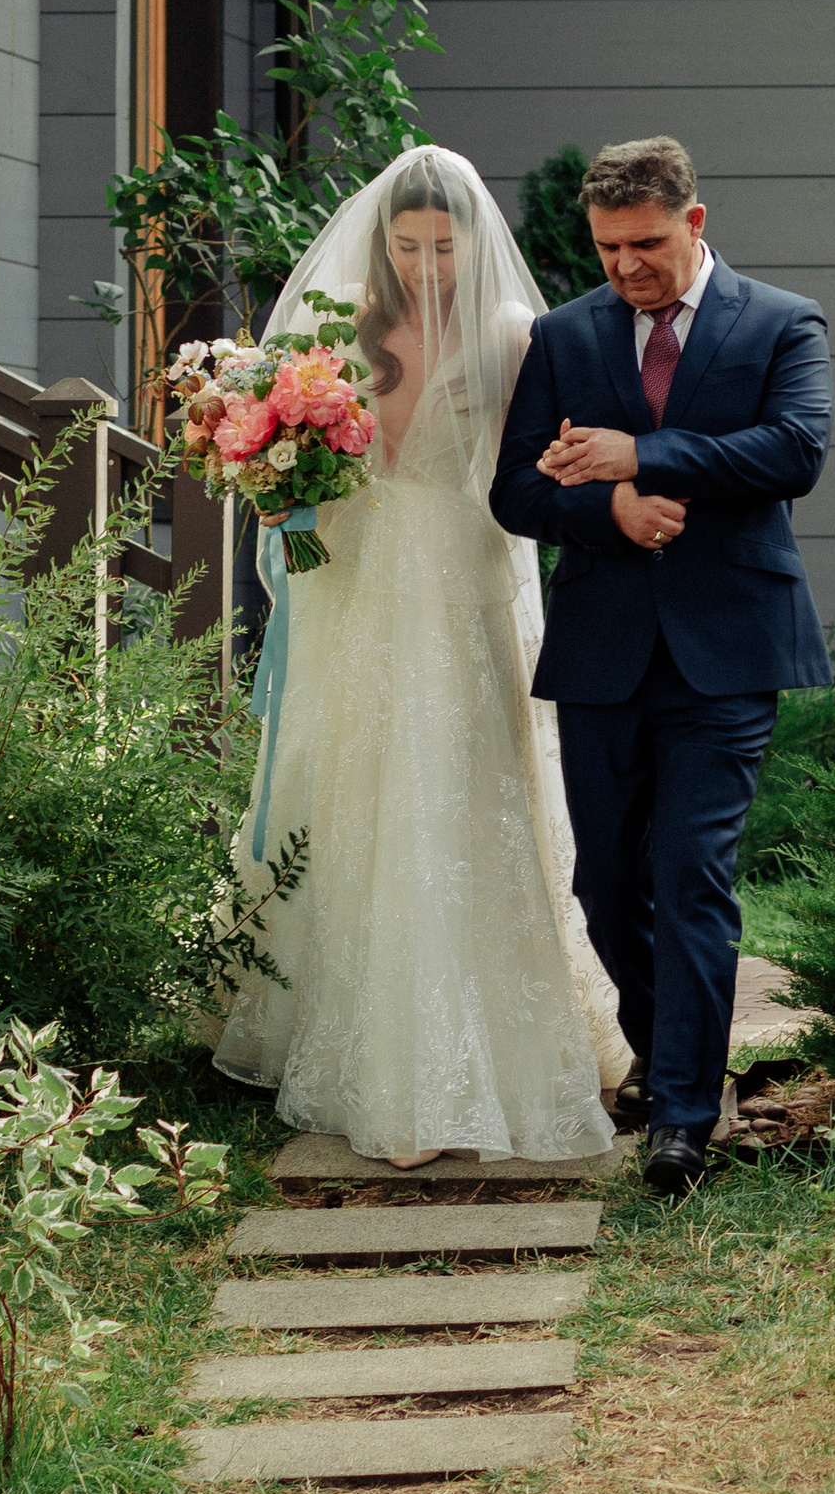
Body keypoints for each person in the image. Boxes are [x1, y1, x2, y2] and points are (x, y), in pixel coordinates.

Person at [213, 148, 630, 1166]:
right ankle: (354, 1037)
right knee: (356, 785)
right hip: (356, 583)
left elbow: (542, 461)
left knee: (465, 788)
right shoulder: (334, 331)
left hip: (462, 574)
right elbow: (276, 456)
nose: (430, 264)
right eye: (410, 246)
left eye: (446, 246)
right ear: (383, 244)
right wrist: (277, 481)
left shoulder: (511, 338)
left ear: (475, 242)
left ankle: (494, 1044)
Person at [491, 135, 832, 1201]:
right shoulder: (561, 336)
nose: (626, 268)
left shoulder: (783, 322)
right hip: (601, 651)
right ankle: (670, 1053)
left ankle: (683, 1116)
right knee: (606, 887)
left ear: (693, 221)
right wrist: (608, 507)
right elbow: (516, 494)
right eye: (607, 250)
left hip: (729, 647)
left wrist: (644, 455)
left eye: (644, 244)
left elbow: (795, 452)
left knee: (692, 877)